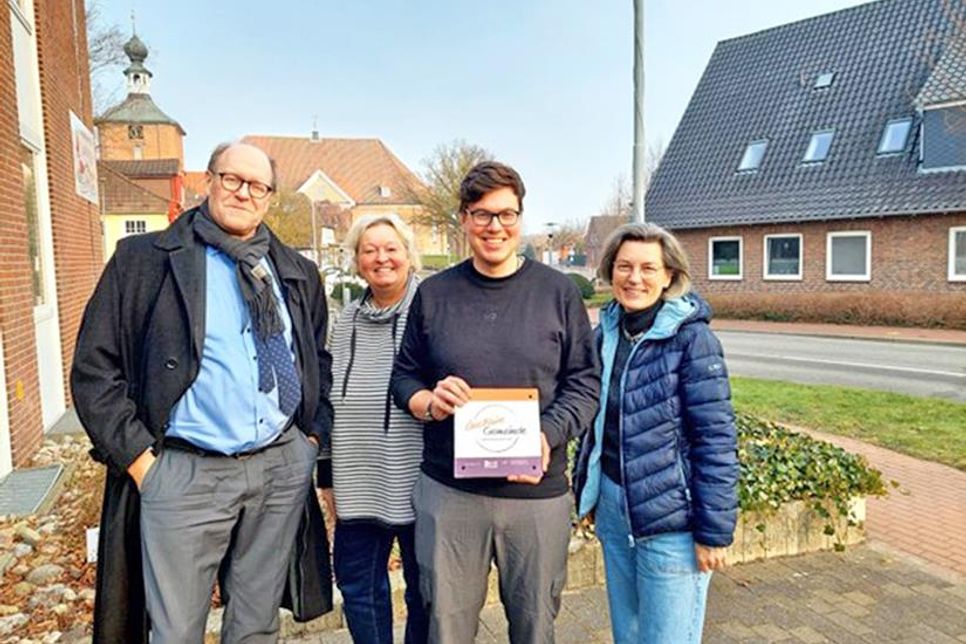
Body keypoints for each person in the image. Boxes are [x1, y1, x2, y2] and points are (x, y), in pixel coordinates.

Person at [71, 142, 334, 644]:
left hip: (278, 468)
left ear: (269, 197)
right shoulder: (144, 260)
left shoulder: (295, 271)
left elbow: (314, 358)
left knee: (256, 624)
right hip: (185, 473)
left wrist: (311, 443)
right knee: (175, 630)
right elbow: (94, 370)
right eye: (232, 179)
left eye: (257, 186)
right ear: (209, 181)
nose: (243, 193)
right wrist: (143, 464)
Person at [390, 161, 600, 644]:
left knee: (534, 626)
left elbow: (585, 383)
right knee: (446, 626)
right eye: (483, 215)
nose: (495, 227)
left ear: (521, 218)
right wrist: (428, 400)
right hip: (450, 493)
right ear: (463, 218)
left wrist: (546, 436)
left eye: (507, 214)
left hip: (536, 493)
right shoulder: (434, 294)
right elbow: (404, 376)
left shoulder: (559, 293)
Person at [573, 222, 738, 644]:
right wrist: (588, 488)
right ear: (611, 273)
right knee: (627, 635)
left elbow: (716, 440)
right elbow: (596, 422)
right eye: (624, 266)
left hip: (672, 521)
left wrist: (713, 532)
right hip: (614, 507)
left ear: (669, 276)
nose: (635, 278)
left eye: (649, 268)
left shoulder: (693, 340)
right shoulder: (605, 334)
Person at [317, 213, 429, 643]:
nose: (381, 258)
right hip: (358, 479)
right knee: (358, 587)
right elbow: (329, 402)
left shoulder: (432, 310)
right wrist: (327, 475)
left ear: (408, 254)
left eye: (390, 248)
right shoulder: (344, 321)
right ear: (357, 260)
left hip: (420, 478)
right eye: (369, 250)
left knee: (426, 590)